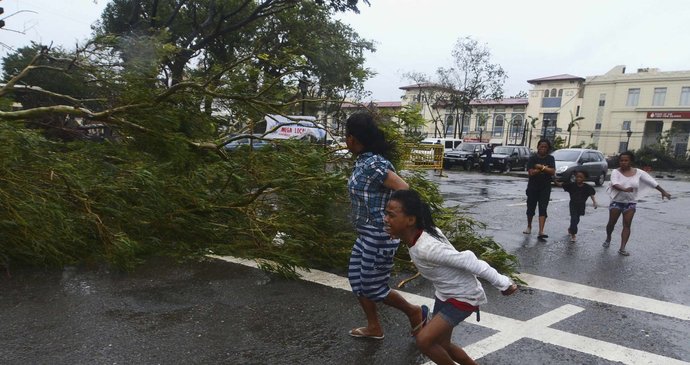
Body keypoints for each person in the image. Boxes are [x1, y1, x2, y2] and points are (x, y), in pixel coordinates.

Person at [384, 189, 518, 365]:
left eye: (391, 215)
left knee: (424, 340)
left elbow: (469, 260)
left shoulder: (428, 248)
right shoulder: (420, 235)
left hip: (463, 297)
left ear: (410, 220)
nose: (386, 219)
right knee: (442, 345)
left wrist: (504, 283)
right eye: (386, 214)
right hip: (445, 294)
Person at [344, 112, 428, 340]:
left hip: (379, 234)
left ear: (352, 138)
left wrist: (396, 222)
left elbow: (404, 188)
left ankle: (414, 312)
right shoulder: (363, 161)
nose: (345, 139)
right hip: (365, 233)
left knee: (372, 287)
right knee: (356, 279)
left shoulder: (374, 164)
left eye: (346, 135)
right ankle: (374, 327)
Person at [604, 151, 671, 256]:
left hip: (630, 203)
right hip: (616, 202)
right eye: (621, 160)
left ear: (631, 161)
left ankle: (622, 248)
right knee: (611, 224)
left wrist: (663, 191)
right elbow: (615, 184)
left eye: (626, 160)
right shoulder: (615, 172)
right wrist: (625, 189)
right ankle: (608, 237)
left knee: (627, 225)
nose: (623, 162)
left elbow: (651, 182)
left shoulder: (639, 172)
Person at [524, 139, 555, 240]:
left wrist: (540, 167)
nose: (543, 148)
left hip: (545, 187)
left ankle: (541, 231)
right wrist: (544, 168)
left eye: (545, 147)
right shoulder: (532, 158)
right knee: (530, 207)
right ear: (538, 147)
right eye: (541, 146)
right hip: (533, 186)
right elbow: (531, 172)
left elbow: (552, 171)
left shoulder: (550, 158)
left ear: (548, 148)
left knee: (543, 208)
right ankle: (529, 226)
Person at [556, 170, 597, 243]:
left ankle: (571, 228)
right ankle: (573, 234)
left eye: (581, 177)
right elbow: (561, 185)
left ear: (584, 178)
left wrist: (594, 202)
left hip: (581, 205)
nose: (579, 179)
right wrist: (554, 179)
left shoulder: (587, 187)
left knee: (577, 219)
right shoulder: (572, 185)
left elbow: (591, 195)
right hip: (573, 204)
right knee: (574, 218)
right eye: (577, 177)